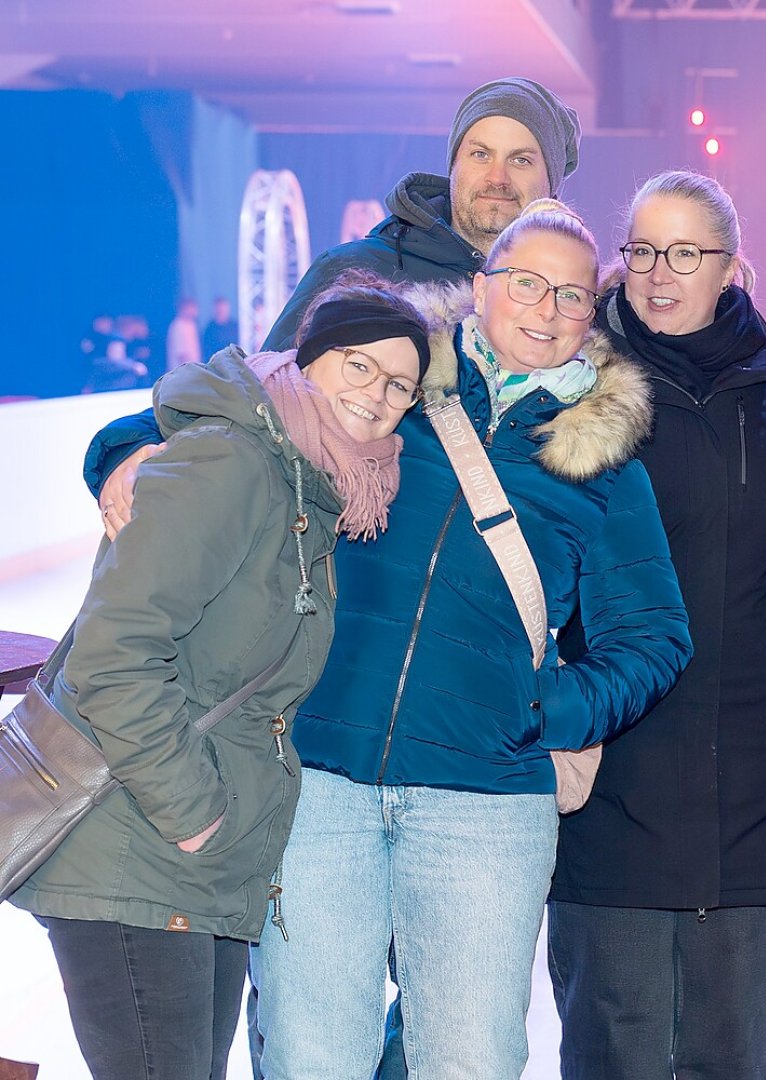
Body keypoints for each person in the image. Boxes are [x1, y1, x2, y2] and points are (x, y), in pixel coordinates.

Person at [85, 199, 693, 1076]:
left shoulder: (603, 461)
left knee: (469, 1059)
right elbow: (238, 404)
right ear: (482, 287)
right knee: (311, 1053)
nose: (546, 309)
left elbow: (654, 637)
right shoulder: (390, 388)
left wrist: (541, 707)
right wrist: (126, 451)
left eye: (570, 296)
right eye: (526, 282)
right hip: (318, 782)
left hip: (483, 805)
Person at [11, 277, 428, 1080]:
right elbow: (114, 652)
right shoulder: (230, 462)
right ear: (308, 361)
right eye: (358, 366)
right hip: (136, 845)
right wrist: (197, 812)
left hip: (197, 864)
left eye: (399, 383)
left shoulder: (309, 486)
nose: (378, 395)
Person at [547, 170, 766, 1079]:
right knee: (613, 1049)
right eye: (640, 250)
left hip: (759, 763)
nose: (659, 273)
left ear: (733, 266)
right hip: (614, 763)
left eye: (686, 252)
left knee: (738, 1053)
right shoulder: (570, 384)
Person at [259, 76, 580, 352]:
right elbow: (261, 401)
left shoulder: (572, 303)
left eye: (521, 160)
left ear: (551, 182)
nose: (497, 177)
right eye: (480, 154)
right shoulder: (351, 271)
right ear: (453, 166)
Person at [167, 297, 203, 371]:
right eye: (191, 309)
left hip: (194, 369)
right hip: (182, 371)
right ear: (184, 309)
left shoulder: (192, 325)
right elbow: (180, 353)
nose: (194, 312)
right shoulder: (177, 326)